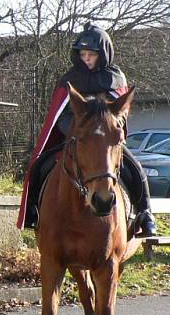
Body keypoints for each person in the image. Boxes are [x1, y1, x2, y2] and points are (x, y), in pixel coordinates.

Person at [18, 22, 156, 236]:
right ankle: (33, 212)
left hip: (106, 141)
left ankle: (145, 215)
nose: (86, 59)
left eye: (91, 54)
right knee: (39, 166)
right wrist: (75, 132)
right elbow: (60, 115)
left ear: (103, 53)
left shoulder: (116, 78)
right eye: (83, 54)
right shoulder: (69, 79)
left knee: (134, 168)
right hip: (76, 138)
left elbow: (121, 113)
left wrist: (108, 128)